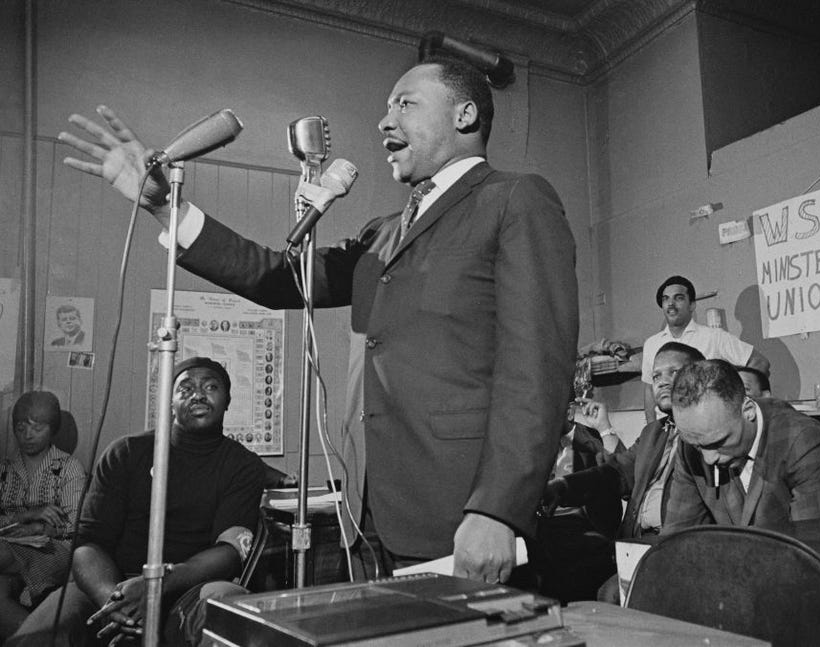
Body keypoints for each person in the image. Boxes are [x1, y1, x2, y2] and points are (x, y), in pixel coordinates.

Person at [58, 56, 578, 584]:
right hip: (369, 515)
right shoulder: (382, 233)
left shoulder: (515, 199)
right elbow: (275, 277)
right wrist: (165, 206)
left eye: (405, 103)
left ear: (465, 115)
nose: (384, 121)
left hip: (463, 512)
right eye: (385, 107)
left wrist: (497, 510)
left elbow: (539, 369)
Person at [9, 357, 266, 647]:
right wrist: (114, 603)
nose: (199, 394)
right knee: (40, 635)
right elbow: (88, 545)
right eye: (186, 387)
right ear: (168, 400)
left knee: (232, 612)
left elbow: (229, 552)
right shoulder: (126, 453)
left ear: (227, 400)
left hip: (189, 588)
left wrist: (156, 587)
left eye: (211, 386)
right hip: (113, 585)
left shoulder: (242, 466)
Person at [541, 342, 705, 603]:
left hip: (673, 548)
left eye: (673, 372)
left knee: (608, 594)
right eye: (656, 375)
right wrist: (562, 487)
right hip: (631, 544)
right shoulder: (653, 433)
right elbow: (615, 472)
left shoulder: (705, 433)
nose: (662, 382)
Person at [663, 359, 820, 533]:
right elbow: (676, 540)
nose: (708, 459)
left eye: (718, 442)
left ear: (748, 411)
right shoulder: (692, 443)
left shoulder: (803, 440)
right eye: (698, 446)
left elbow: (816, 547)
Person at [0, 392, 85, 640]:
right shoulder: (4, 470)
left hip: (55, 549)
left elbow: (75, 527)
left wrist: (38, 529)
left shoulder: (69, 468)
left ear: (52, 429)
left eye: (38, 427)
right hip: (10, 547)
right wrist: (29, 515)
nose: (28, 435)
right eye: (21, 427)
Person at [525, 398, 625, 603]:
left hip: (584, 533)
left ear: (569, 413)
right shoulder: (531, 441)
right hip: (541, 529)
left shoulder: (591, 439)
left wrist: (605, 429)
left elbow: (619, 471)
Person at [641, 276, 769, 422]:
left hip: (707, 425)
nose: (671, 304)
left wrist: (734, 399)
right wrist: (651, 431)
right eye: (665, 299)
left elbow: (759, 362)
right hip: (667, 428)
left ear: (692, 305)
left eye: (679, 298)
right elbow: (649, 390)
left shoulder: (714, 337)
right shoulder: (651, 344)